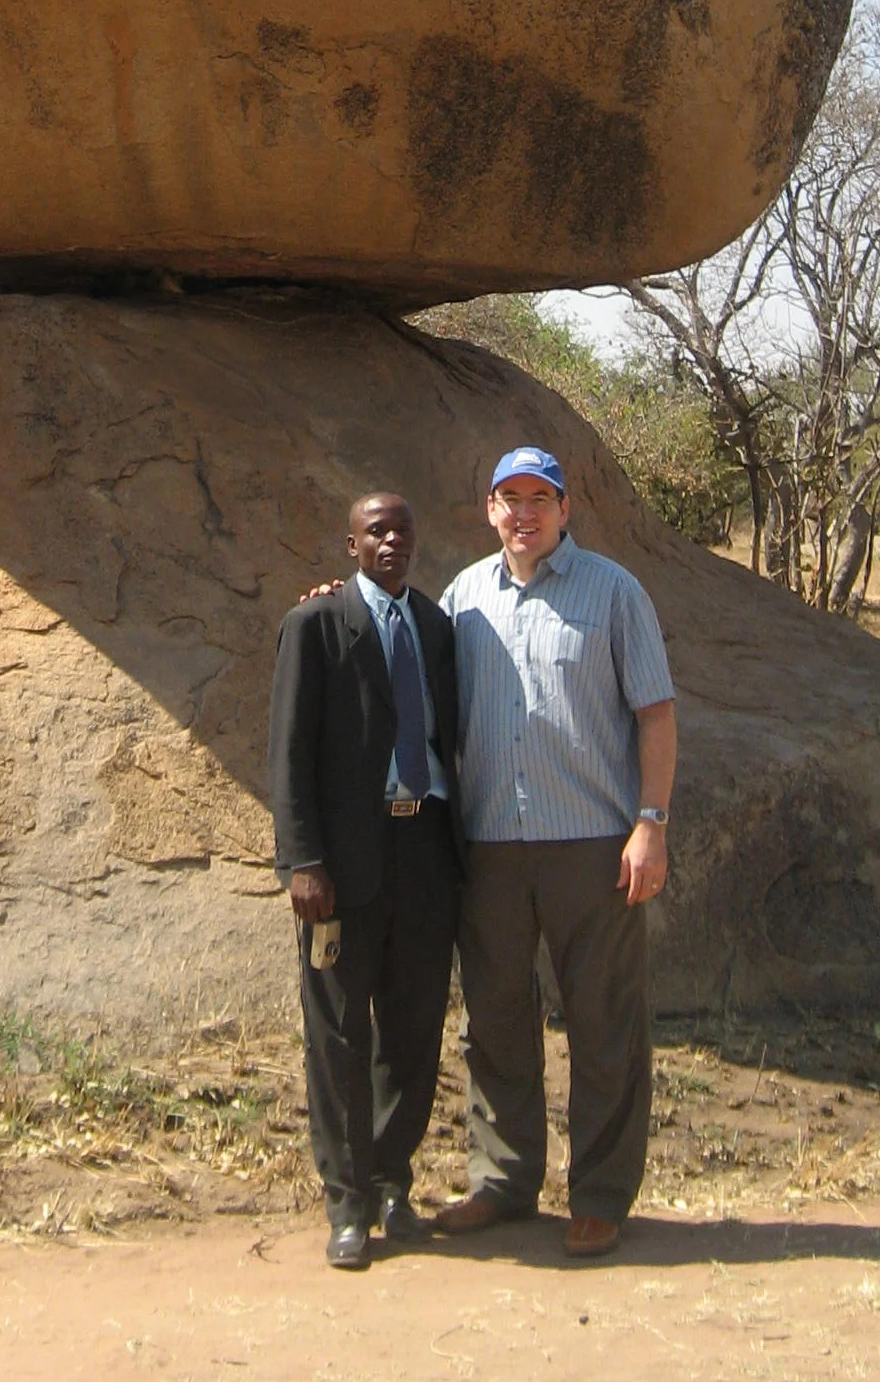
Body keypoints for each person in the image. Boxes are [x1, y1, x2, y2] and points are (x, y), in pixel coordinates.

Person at [432, 445, 676, 1259]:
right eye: (510, 498)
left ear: (567, 510)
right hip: (491, 842)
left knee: (604, 1022)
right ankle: (502, 1182)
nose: (525, 512)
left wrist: (651, 822)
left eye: (542, 497)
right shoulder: (463, 597)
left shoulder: (614, 593)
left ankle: (600, 1194)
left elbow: (655, 715)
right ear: (489, 510)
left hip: (593, 844)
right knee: (495, 1022)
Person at [269, 491, 467, 1272]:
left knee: (415, 1029)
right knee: (340, 1033)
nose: (391, 542)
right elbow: (289, 752)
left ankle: (392, 1182)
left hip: (426, 852)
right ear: (350, 544)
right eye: (375, 531)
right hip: (346, 861)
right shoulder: (313, 626)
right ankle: (346, 1203)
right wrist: (302, 861)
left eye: (402, 530)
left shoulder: (436, 626)